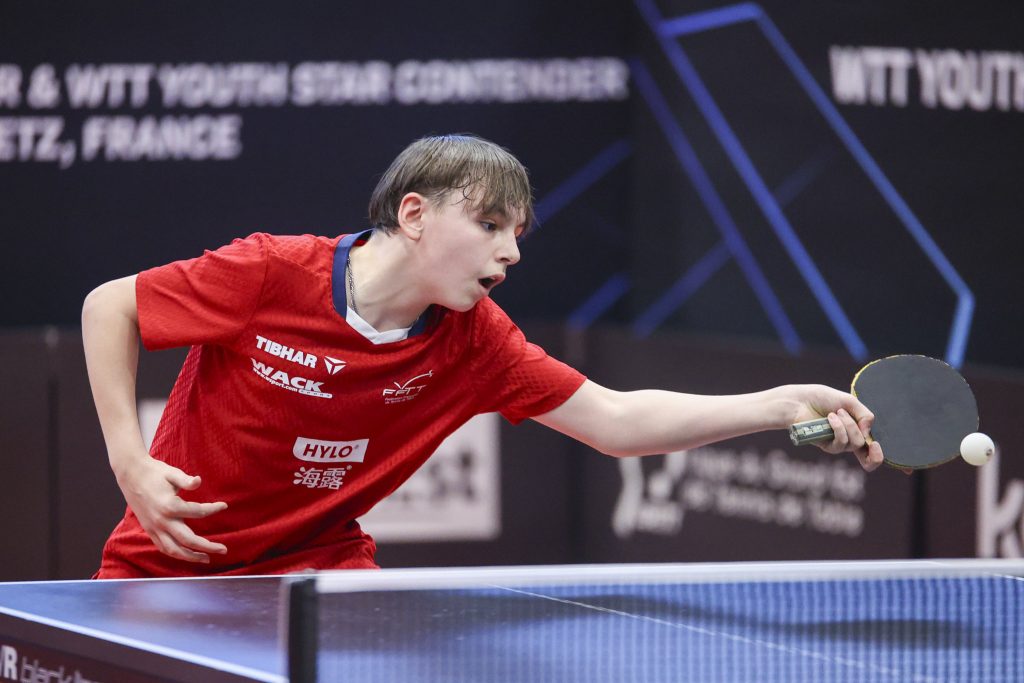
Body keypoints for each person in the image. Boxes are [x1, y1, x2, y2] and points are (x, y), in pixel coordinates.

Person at [82, 134, 883, 578]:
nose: (510, 252)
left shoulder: (475, 342)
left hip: (318, 571)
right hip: (167, 564)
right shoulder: (270, 272)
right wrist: (129, 459)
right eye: (490, 225)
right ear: (414, 214)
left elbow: (614, 418)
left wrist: (778, 404)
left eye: (518, 234)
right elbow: (110, 306)